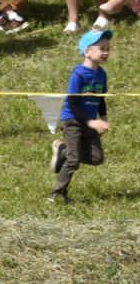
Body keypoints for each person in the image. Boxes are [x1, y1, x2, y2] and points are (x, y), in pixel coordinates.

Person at [50, 29, 112, 204]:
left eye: (108, 48)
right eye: (102, 48)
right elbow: (73, 103)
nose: (106, 52)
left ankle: (64, 152)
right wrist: (90, 121)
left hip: (90, 123)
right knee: (74, 160)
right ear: (88, 52)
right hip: (74, 121)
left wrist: (104, 117)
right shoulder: (78, 74)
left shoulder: (102, 74)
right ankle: (57, 193)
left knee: (96, 158)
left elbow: (100, 98)